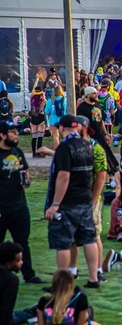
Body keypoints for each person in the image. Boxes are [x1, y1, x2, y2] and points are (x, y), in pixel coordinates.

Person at [44, 115, 102, 288]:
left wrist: (55, 204)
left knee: (63, 242)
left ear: (62, 128)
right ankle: (93, 278)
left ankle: (62, 284)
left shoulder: (65, 147)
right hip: (84, 198)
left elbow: (64, 176)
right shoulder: (87, 145)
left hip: (67, 202)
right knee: (88, 239)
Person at [0, 121, 44, 284]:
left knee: (23, 242)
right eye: (12, 132)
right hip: (2, 208)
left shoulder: (17, 151)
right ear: (2, 135)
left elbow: (25, 172)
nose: (16, 135)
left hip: (19, 206)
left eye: (16, 132)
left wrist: (26, 181)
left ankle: (29, 275)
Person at [0, 242, 24, 325]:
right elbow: (6, 310)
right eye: (18, 261)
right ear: (9, 265)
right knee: (24, 315)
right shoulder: (11, 280)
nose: (21, 262)